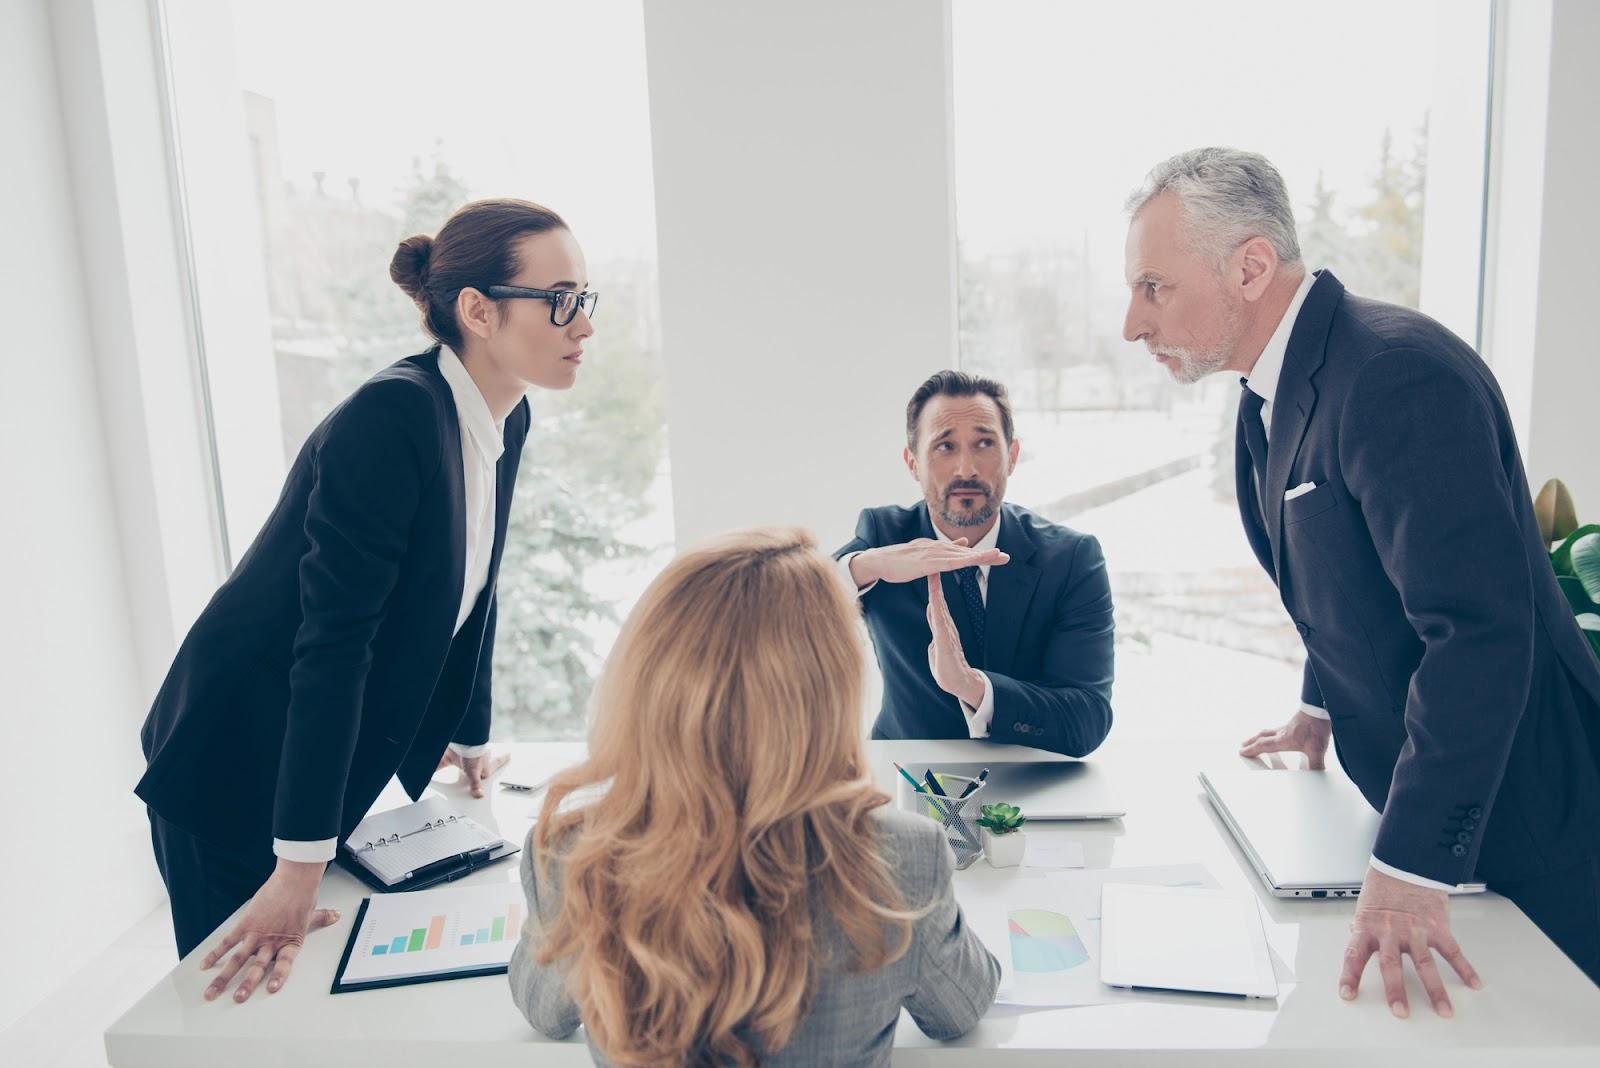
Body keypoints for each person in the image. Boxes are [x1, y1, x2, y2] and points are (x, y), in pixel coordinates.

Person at [1122, 147, 1600, 1010]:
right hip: (1423, 811)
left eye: (1152, 286)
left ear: (1252, 266)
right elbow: (1349, 569)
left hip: (1526, 820)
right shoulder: (1267, 393)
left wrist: (1414, 862)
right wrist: (1319, 707)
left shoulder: (1392, 375)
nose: (1132, 322)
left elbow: (1478, 631)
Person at [136, 197, 599, 1001]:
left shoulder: (504, 412)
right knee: (242, 1019)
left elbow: (478, 581)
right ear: (478, 311)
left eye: (584, 300)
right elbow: (334, 645)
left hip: (303, 759)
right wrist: (298, 864)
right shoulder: (394, 417)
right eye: (561, 302)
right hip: (233, 755)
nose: (583, 327)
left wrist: (466, 731)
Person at [510, 528, 1000, 1066]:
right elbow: (962, 1011)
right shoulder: (904, 859)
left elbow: (543, 1010)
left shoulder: (568, 852)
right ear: (825, 693)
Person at [833, 371, 1115, 756]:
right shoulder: (883, 535)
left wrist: (973, 687)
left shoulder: (1071, 558)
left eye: (983, 443)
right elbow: (793, 609)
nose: (966, 469)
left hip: (1031, 782)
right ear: (912, 462)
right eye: (945, 447)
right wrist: (868, 566)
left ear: (1011, 456)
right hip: (906, 775)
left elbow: (1087, 718)